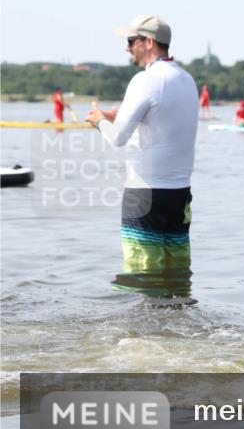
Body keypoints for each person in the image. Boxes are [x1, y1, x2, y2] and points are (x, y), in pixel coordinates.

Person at [84, 15, 198, 296]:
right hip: (179, 194)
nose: (127, 48)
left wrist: (100, 120)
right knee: (175, 274)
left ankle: (141, 338)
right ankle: (178, 329)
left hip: (144, 193)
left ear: (149, 42)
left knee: (141, 276)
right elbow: (162, 123)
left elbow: (118, 138)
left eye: (131, 41)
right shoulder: (187, 80)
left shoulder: (145, 79)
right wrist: (118, 116)